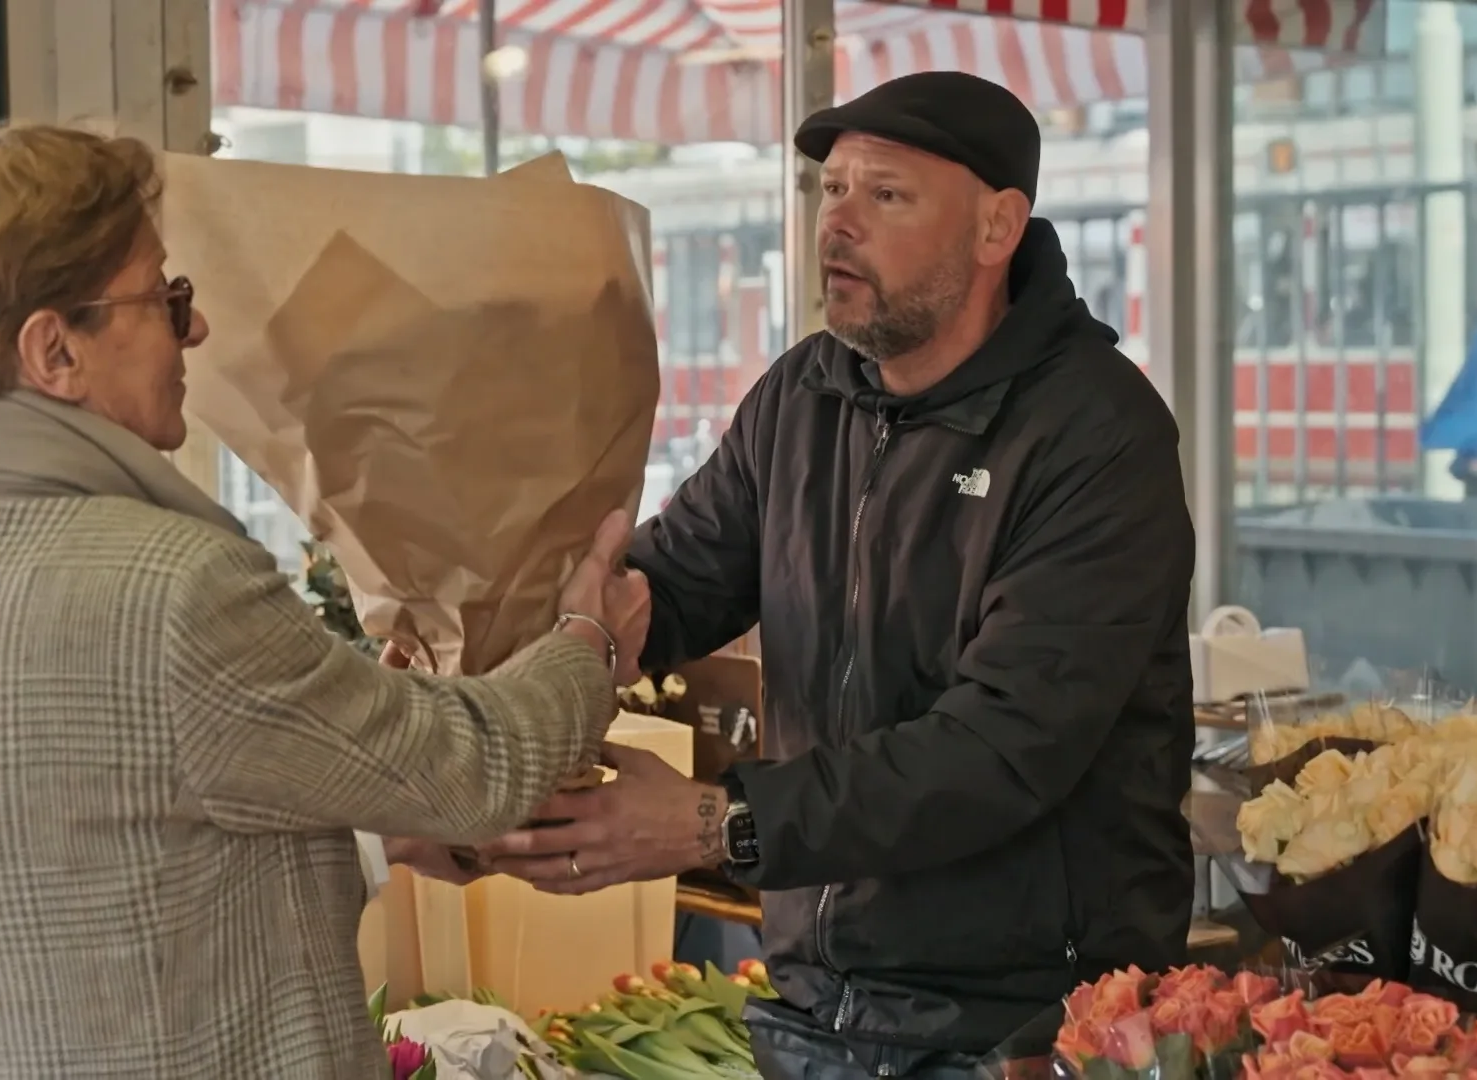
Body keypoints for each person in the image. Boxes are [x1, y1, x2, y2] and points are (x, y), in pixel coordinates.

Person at [0, 124, 651, 1080]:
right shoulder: (171, 590)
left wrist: (365, 797)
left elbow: (125, 881)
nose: (198, 330)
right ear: (55, 350)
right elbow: (477, 768)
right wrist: (585, 635)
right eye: (164, 299)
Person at [479, 72, 1196, 1077]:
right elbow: (673, 580)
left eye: (886, 195)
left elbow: (998, 751)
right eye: (832, 190)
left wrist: (714, 822)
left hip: (1031, 1026)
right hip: (820, 1003)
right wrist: (497, 670)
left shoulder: (1096, 436)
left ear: (998, 228)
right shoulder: (804, 395)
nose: (837, 224)